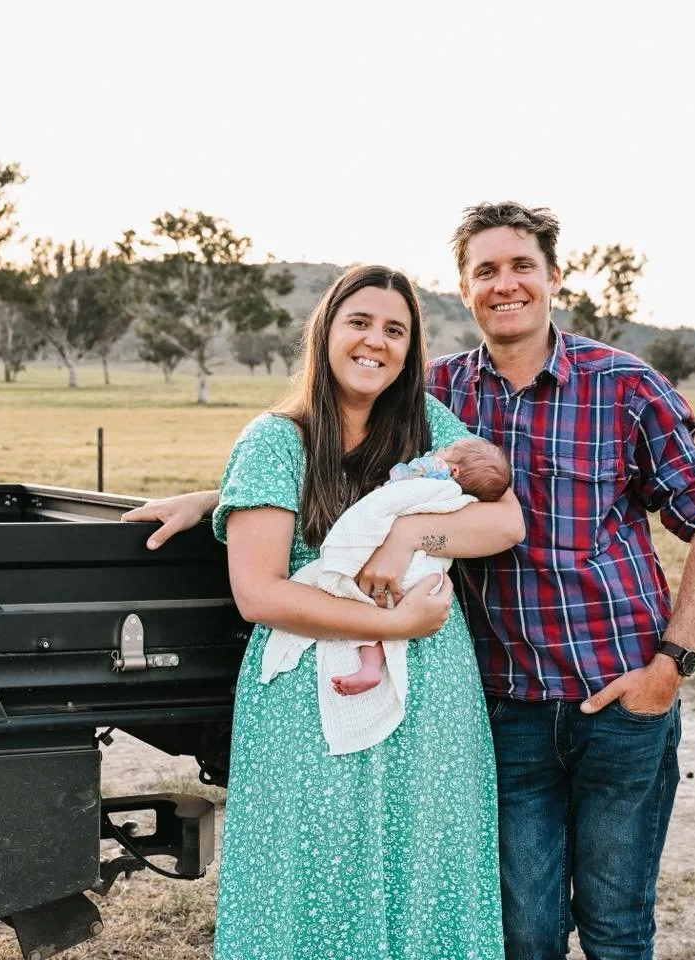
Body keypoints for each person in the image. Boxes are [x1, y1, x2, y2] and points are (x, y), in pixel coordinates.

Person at [122, 203, 695, 960]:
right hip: (505, 702)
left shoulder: (611, 387)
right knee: (522, 929)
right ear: (465, 286)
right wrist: (215, 498)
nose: (505, 284)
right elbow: (322, 471)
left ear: (553, 277)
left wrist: (670, 666)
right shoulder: (438, 393)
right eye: (486, 270)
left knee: (615, 925)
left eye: (521, 267)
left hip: (614, 691)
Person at [199, 264, 523, 959]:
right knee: (313, 868)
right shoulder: (275, 440)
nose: (375, 341)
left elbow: (505, 524)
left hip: (431, 695)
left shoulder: (428, 427)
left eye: (395, 330)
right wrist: (391, 625)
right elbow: (258, 593)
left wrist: (410, 535)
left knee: (424, 866)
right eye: (360, 322)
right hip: (306, 701)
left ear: (410, 350)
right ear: (326, 332)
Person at [325, 437, 513, 699]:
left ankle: (370, 666)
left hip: (409, 569)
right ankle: (371, 666)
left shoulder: (434, 476)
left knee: (367, 607)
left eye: (446, 451)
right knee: (381, 613)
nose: (439, 450)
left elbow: (398, 480)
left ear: (454, 471)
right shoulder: (461, 495)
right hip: (424, 575)